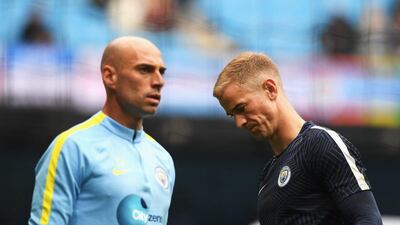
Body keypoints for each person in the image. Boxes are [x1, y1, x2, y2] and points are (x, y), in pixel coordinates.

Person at [213, 52, 382, 225]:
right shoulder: (268, 175)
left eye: (241, 108)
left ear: (270, 89)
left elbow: (368, 220)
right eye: (232, 115)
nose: (239, 122)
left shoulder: (321, 143)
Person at [28, 36, 175, 225]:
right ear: (109, 76)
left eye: (161, 72)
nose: (159, 81)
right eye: (145, 70)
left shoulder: (164, 160)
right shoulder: (72, 147)